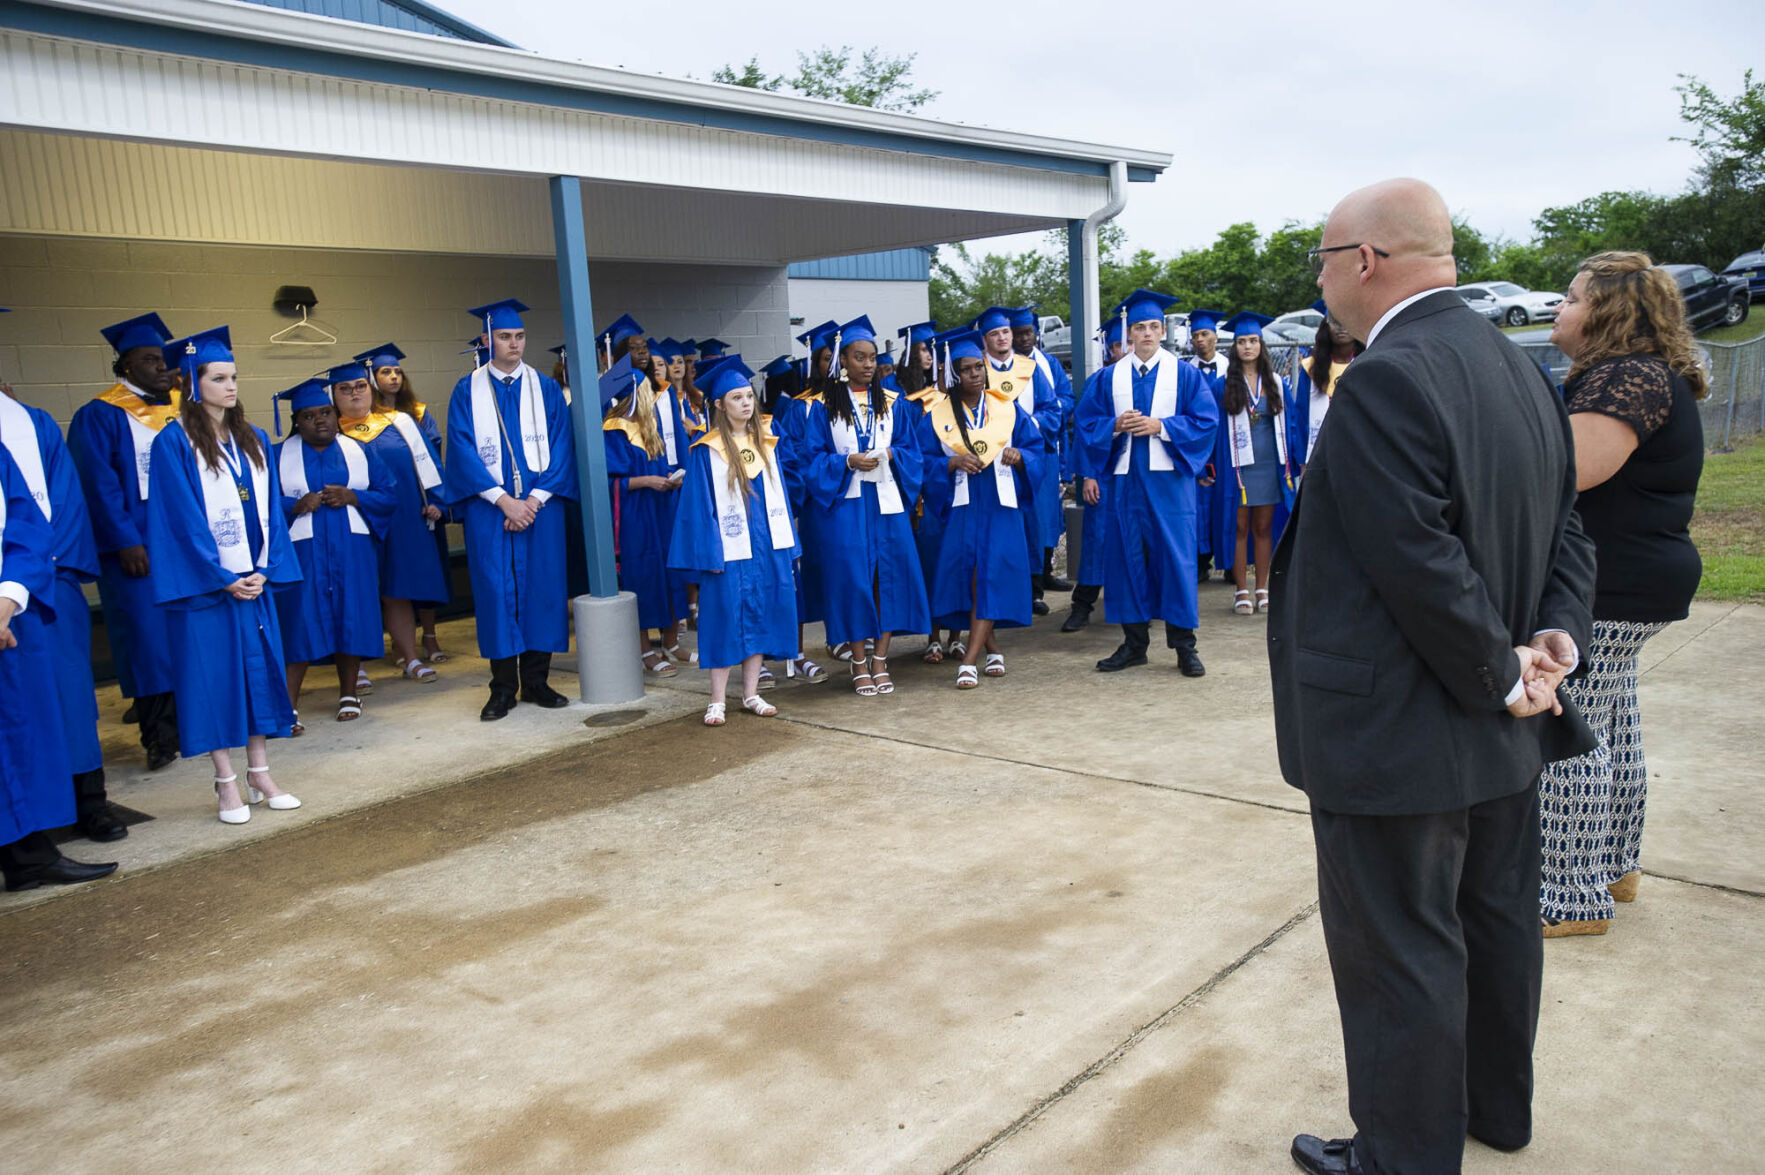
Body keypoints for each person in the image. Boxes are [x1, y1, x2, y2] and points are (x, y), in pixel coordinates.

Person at [1273, 179, 1597, 1175]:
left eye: (1324, 261)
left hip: (1403, 729)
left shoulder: (1385, 375)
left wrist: (1509, 670)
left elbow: (1413, 558)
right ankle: (1494, 1108)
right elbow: (1564, 529)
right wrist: (1551, 640)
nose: (1322, 282)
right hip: (1500, 726)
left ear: (1364, 259)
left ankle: (1402, 1156)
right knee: (1494, 921)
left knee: (1400, 948)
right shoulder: (1514, 363)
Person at [1536, 251, 1707, 938]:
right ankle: (1612, 865)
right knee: (1611, 721)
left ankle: (1566, 894)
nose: (1559, 306)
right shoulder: (1643, 375)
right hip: (1637, 578)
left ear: (1608, 312)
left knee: (1568, 727)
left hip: (1611, 581)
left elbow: (1569, 471)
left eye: (1572, 297)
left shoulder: (1626, 378)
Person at [147, 326, 304, 824]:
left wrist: (263, 568)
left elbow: (271, 516)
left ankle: (260, 773)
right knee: (215, 681)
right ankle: (226, 783)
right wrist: (220, 576)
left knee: (259, 677)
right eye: (219, 378)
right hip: (208, 589)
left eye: (234, 376)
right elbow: (179, 518)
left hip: (252, 582)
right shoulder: (173, 443)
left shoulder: (254, 438)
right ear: (193, 384)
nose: (231, 387)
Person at [443, 299, 578, 720]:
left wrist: (532, 502)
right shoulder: (467, 389)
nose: (514, 344)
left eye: (519, 336)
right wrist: (503, 501)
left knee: (542, 589)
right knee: (495, 592)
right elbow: (462, 451)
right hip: (491, 511)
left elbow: (561, 448)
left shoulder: (546, 388)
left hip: (542, 507)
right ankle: (502, 688)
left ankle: (537, 682)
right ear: (487, 340)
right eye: (504, 336)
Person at [0, 380, 122, 842]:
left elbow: (66, 501)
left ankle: (90, 803)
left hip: (46, 584)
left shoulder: (30, 421)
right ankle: (22, 831)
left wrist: (42, 574)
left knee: (69, 699)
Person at [1074, 288, 1218, 676]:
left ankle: (1184, 646)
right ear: (1129, 333)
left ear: (1163, 332)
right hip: (1124, 484)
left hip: (1169, 483)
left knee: (1176, 559)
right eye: (1140, 327)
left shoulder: (1184, 375)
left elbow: (1207, 422)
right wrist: (1114, 425)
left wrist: (1161, 426)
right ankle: (1134, 644)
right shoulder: (1107, 378)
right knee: (1125, 558)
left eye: (1155, 326)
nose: (1149, 334)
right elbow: (1086, 424)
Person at [67, 312, 183, 770]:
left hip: (184, 545)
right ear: (126, 367)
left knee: (185, 635)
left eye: (164, 359)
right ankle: (159, 736)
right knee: (147, 642)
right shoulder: (100, 414)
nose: (161, 367)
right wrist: (124, 540)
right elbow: (97, 484)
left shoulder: (183, 409)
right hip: (138, 549)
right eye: (149, 359)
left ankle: (195, 721)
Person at [799, 315, 930, 696]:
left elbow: (912, 452)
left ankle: (880, 660)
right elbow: (810, 459)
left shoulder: (894, 403)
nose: (869, 364)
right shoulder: (824, 407)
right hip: (847, 504)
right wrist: (845, 462)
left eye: (872, 357)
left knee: (889, 579)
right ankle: (858, 660)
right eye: (860, 357)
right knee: (853, 581)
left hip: (886, 503)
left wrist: (890, 453)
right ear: (844, 361)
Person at [667, 356, 799, 725]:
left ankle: (751, 693)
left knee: (761, 616)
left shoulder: (767, 442)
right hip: (728, 549)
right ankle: (717, 699)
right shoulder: (706, 450)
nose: (746, 403)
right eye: (736, 398)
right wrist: (710, 552)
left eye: (748, 396)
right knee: (724, 617)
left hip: (766, 546)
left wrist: (789, 545)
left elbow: (783, 497)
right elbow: (698, 507)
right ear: (719, 405)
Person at [916, 329, 1044, 687]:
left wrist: (1022, 458)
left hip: (1000, 504)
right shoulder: (937, 415)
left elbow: (1036, 450)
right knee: (973, 580)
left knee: (990, 576)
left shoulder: (1006, 408)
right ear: (955, 375)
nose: (976, 374)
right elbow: (920, 462)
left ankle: (969, 660)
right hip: (962, 506)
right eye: (968, 369)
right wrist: (950, 464)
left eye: (979, 367)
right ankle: (993, 648)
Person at [274, 376, 397, 728]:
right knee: (298, 621)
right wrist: (294, 505)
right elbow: (261, 506)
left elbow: (389, 493)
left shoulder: (359, 449)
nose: (320, 421)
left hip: (351, 548)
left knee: (350, 618)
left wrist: (354, 496)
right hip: (303, 552)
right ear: (297, 421)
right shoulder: (277, 455)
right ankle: (286, 705)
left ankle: (349, 693)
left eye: (325, 412)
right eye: (310, 416)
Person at [354, 341, 454, 670]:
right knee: (369, 584)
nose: (394, 377)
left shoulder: (407, 420)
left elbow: (427, 460)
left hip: (407, 512)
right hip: (364, 518)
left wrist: (436, 499)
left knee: (406, 580)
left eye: (398, 371)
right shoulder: (341, 428)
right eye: (385, 371)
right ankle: (364, 661)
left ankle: (417, 645)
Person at [602, 351, 690, 676]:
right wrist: (648, 481)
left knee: (669, 574)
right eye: (646, 392)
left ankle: (669, 641)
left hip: (659, 510)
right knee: (640, 578)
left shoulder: (648, 425)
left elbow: (658, 465)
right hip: (634, 515)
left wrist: (670, 478)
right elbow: (609, 480)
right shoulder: (615, 428)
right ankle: (642, 650)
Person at [975, 305, 1061, 616]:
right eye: (994, 333)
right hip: (989, 460)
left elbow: (1052, 411)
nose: (1001, 338)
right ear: (985, 339)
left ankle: (1034, 591)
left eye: (1005, 332)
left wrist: (1024, 427)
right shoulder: (976, 368)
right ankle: (998, 593)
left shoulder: (1030, 368)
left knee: (1032, 525)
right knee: (998, 529)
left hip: (1023, 458)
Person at [1215, 312, 1294, 616]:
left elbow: (1292, 426)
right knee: (1239, 527)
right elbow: (1214, 429)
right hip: (1237, 467)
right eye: (1241, 341)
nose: (1247, 346)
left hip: (1269, 465)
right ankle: (1241, 589)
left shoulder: (1276, 384)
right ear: (1234, 347)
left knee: (1263, 527)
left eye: (1253, 341)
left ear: (1261, 345)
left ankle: (1262, 587)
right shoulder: (1223, 385)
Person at [1061, 317, 1127, 633]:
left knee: (1136, 540)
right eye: (1116, 345)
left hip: (1140, 477)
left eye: (1126, 342)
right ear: (1108, 349)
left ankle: (1139, 606)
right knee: (1097, 539)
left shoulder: (1157, 380)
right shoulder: (1102, 380)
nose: (1123, 349)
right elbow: (1085, 428)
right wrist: (1088, 474)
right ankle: (1082, 605)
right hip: (1105, 473)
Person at [1011, 305, 1076, 589]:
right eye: (1018, 333)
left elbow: (1067, 399)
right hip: (1016, 454)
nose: (1024, 338)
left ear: (1037, 333)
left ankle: (1045, 573)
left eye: (1028, 332)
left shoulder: (1049, 364)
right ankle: (1028, 582)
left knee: (1047, 513)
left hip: (1046, 448)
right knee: (1026, 516)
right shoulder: (1005, 368)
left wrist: (1041, 417)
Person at [1287, 307, 1363, 478]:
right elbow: (1301, 416)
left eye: (1346, 321)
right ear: (1326, 327)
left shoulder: (1367, 363)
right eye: (1335, 322)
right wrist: (1302, 460)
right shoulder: (1311, 368)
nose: (1341, 327)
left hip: (1357, 451)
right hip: (1319, 451)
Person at [1185, 309, 1230, 585]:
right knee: (1200, 505)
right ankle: (1201, 561)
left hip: (1227, 445)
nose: (1200, 340)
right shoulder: (1185, 371)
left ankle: (1230, 563)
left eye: (1205, 334)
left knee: (1226, 502)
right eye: (1195, 336)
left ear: (1215, 335)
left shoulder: (1231, 368)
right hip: (1199, 446)